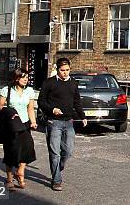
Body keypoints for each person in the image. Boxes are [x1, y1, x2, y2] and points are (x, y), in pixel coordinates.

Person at [37, 57, 87, 191]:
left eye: (67, 70)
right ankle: (56, 180)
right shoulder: (49, 83)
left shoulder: (73, 83)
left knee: (68, 151)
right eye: (62, 70)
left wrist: (83, 116)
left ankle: (58, 167)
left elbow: (77, 101)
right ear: (57, 69)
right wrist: (52, 109)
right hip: (53, 122)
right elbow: (41, 101)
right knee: (54, 153)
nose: (65, 73)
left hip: (69, 122)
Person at [0, 70, 37, 191]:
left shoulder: (29, 91)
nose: (26, 79)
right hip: (11, 124)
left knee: (27, 148)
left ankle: (20, 172)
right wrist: (9, 112)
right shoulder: (7, 90)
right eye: (23, 77)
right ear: (16, 78)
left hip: (24, 123)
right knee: (10, 150)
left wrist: (33, 122)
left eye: (27, 77)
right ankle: (9, 178)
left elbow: (30, 108)